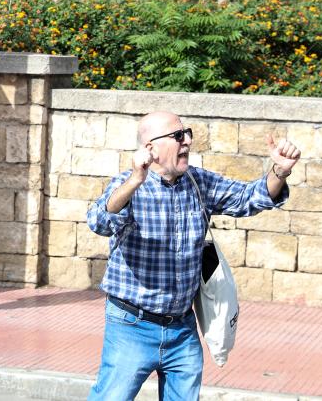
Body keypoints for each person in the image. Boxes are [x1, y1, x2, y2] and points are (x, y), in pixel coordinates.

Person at [86, 111, 300, 401]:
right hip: (131, 325)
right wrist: (136, 180)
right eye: (177, 136)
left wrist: (280, 171)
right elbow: (99, 222)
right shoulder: (128, 185)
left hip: (182, 328)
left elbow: (250, 197)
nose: (186, 140)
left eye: (187, 133)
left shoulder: (199, 182)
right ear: (151, 148)